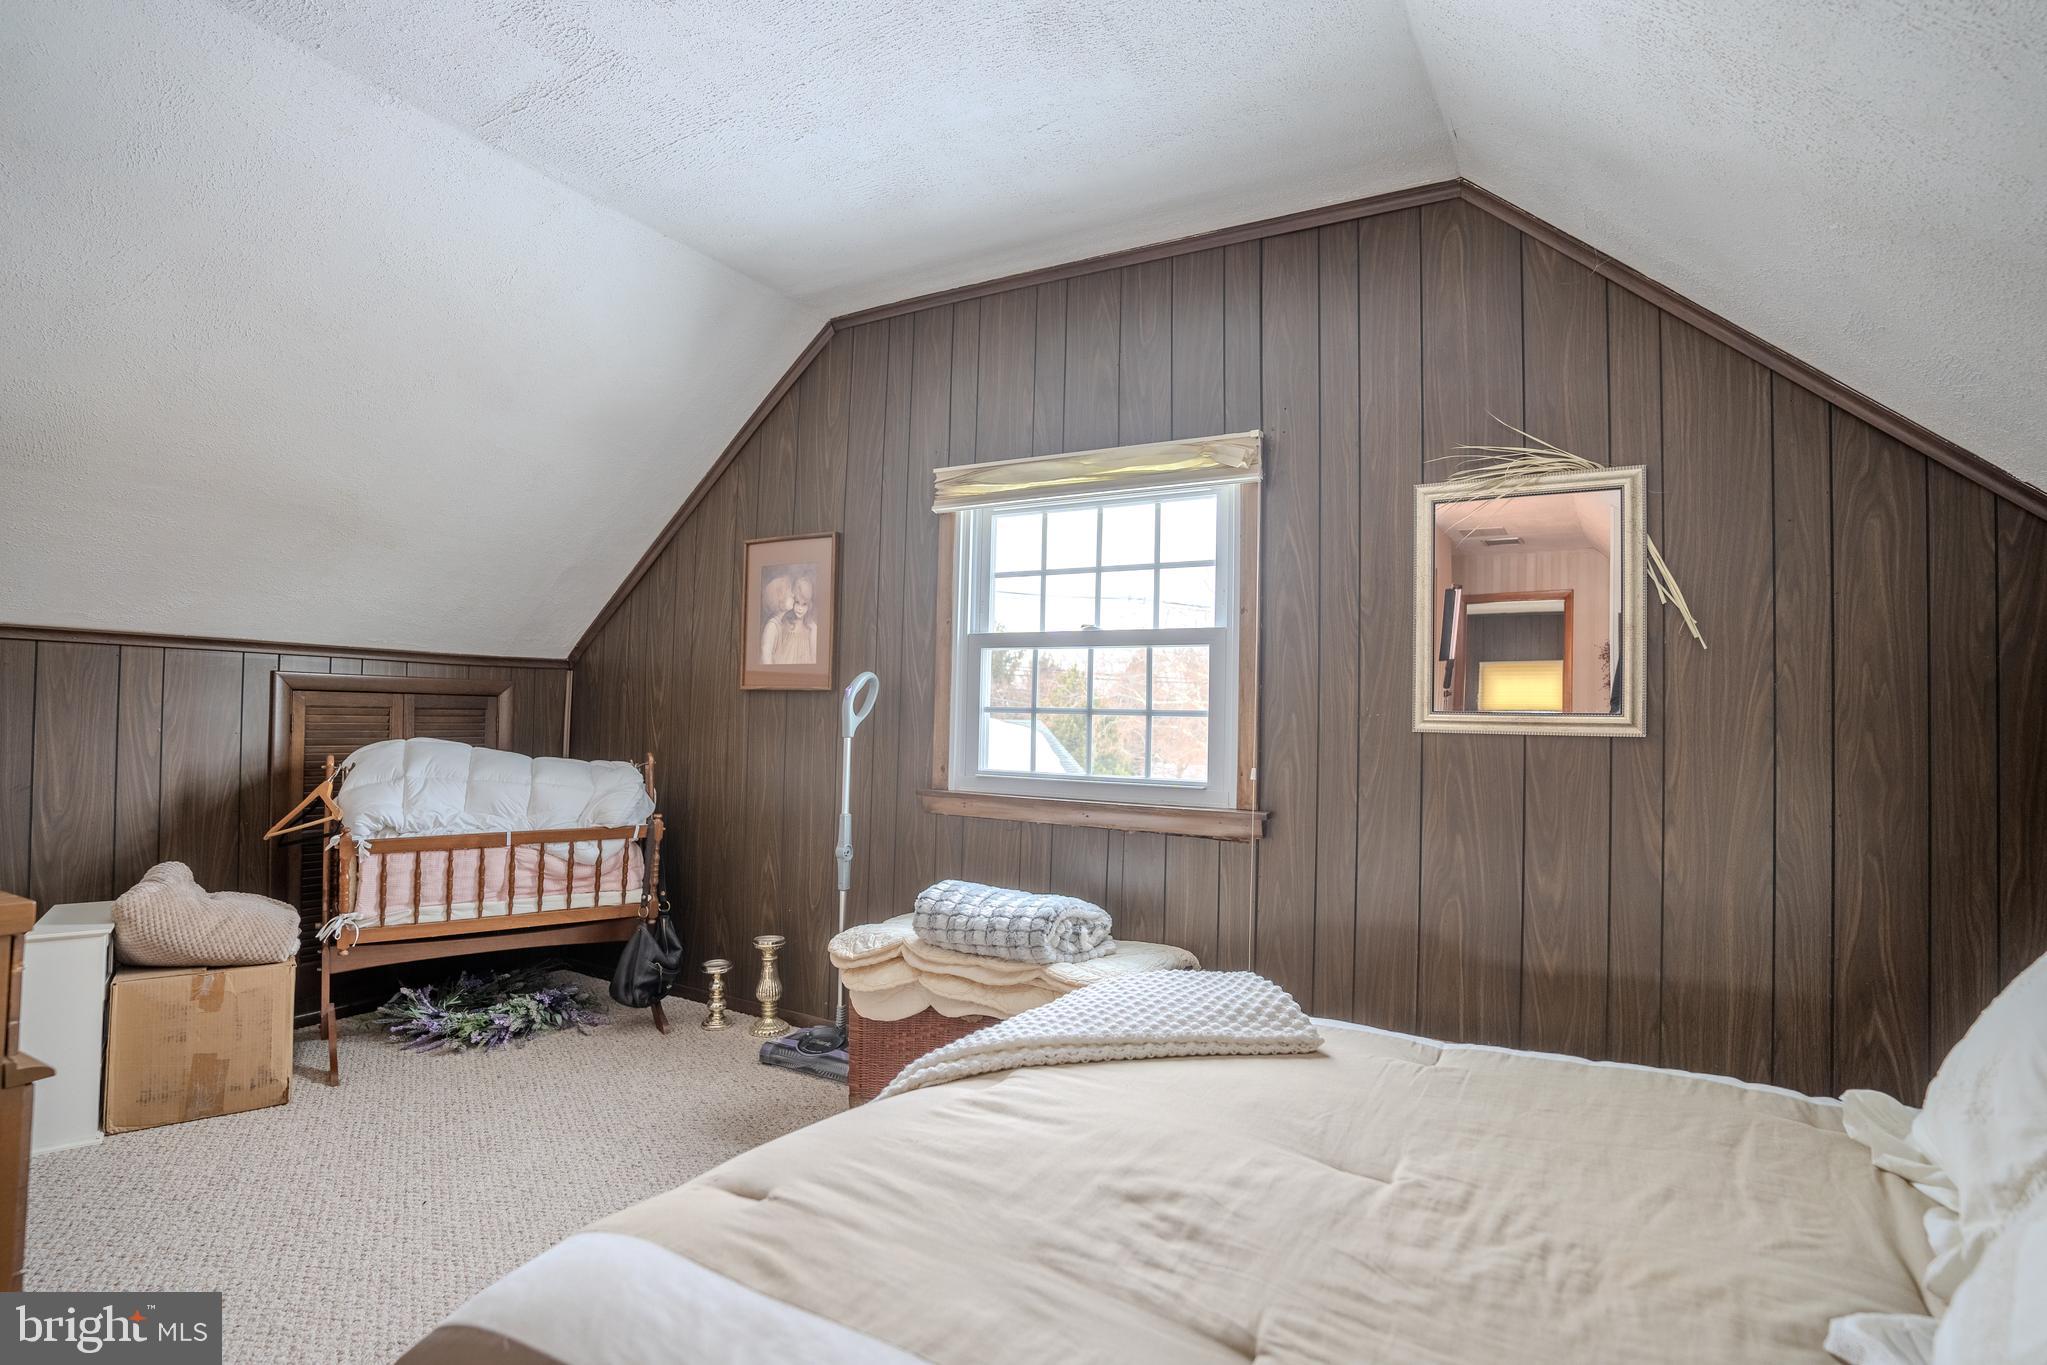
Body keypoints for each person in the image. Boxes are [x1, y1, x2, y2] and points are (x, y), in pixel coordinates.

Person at [760, 568, 818, 665]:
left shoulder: (811, 628)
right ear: (781, 599)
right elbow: (766, 658)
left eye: (804, 604)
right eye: (796, 601)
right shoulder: (774, 626)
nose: (792, 595)